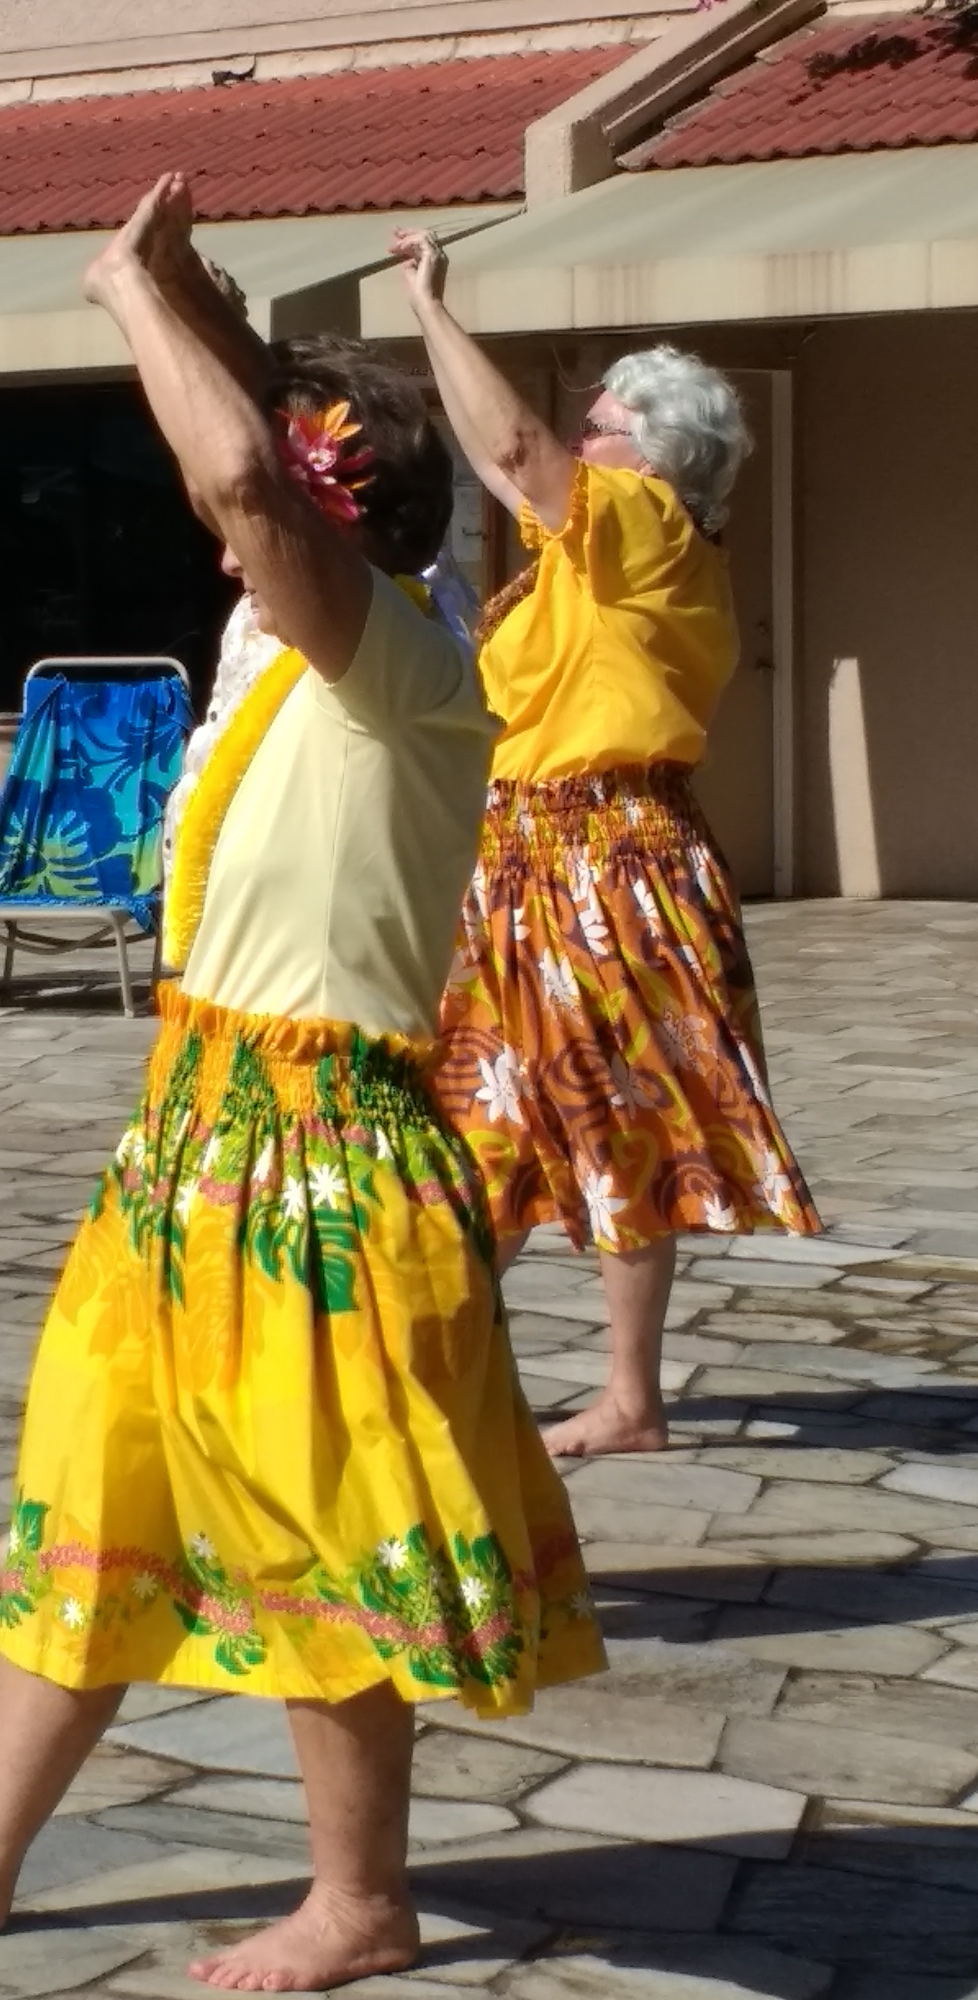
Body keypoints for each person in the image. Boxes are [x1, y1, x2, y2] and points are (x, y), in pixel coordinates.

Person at [0, 175, 602, 1994]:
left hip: (323, 1161)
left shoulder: (398, 665)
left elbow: (258, 483)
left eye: (265, 505)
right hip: (200, 1136)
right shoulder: (286, 651)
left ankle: (361, 1897)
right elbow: (277, 451)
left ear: (326, 519)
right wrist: (202, 301)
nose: (221, 532)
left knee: (320, 1519)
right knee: (99, 1490)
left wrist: (125, 295)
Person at [390, 226, 821, 1461]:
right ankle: (438, 1369)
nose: (582, 442)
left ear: (655, 458)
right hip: (523, 854)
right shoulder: (575, 555)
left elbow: (516, 447)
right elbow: (510, 457)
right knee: (488, 1116)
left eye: (605, 425)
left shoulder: (656, 536)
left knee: (610, 1112)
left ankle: (631, 1395)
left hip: (606, 861)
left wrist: (427, 308)